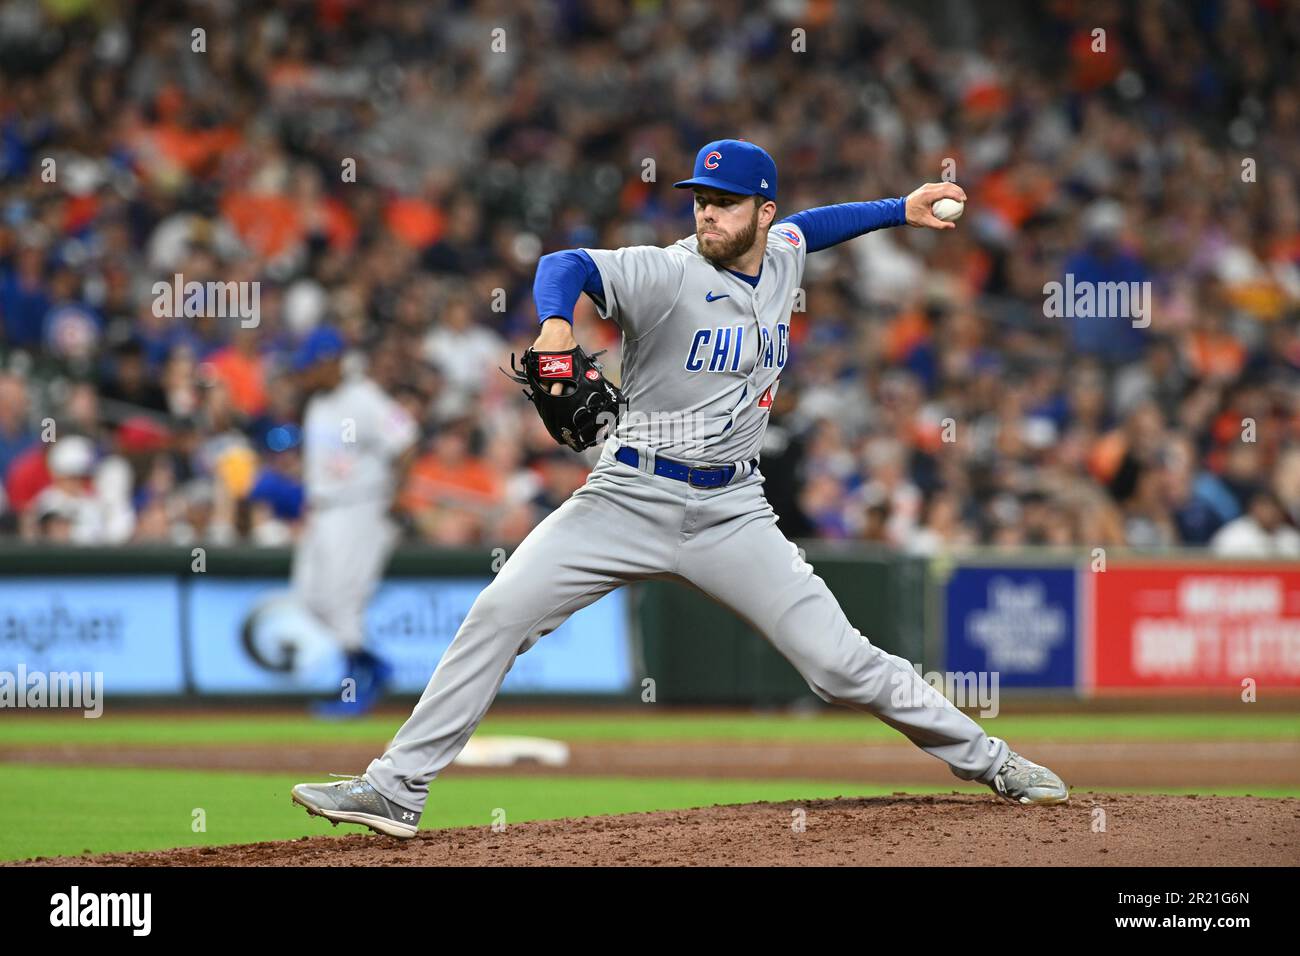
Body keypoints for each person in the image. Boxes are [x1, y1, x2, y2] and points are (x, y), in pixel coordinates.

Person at [292, 140, 1068, 837]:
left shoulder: (784, 250)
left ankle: (994, 761)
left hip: (734, 510)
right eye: (700, 199)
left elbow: (820, 224)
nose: (708, 212)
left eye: (725, 202)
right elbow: (564, 265)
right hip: (626, 496)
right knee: (497, 614)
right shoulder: (665, 271)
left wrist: (900, 208)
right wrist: (557, 323)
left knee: (840, 664)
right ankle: (395, 790)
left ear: (763, 212)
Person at [291, 326, 419, 717]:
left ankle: (350, 690)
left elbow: (406, 437)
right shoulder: (317, 404)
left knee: (345, 604)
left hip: (359, 508)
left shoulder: (363, 398)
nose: (306, 374)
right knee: (309, 599)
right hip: (324, 509)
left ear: (330, 361)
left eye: (312, 366)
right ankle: (374, 667)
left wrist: (397, 491)